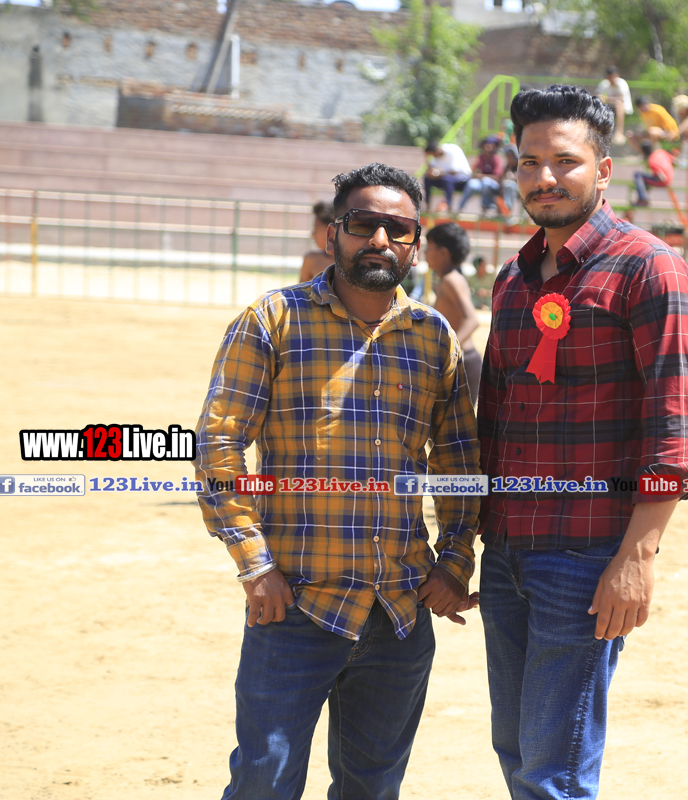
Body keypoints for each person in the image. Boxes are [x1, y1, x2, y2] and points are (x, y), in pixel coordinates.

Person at [194, 163, 480, 800]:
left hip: (400, 613)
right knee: (263, 785)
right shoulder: (273, 321)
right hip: (295, 606)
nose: (380, 239)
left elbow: (459, 462)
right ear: (333, 235)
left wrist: (455, 561)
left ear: (415, 245)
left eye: (398, 229)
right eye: (363, 224)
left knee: (371, 789)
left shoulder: (433, 337)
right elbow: (218, 444)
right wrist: (254, 565)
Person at [477, 84, 688, 800]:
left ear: (603, 170)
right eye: (529, 162)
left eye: (564, 162)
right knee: (518, 749)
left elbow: (675, 425)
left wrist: (638, 556)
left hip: (585, 557)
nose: (544, 177)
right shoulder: (513, 280)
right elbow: (495, 419)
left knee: (554, 770)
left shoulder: (647, 268)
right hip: (507, 553)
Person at [427, 221, 483, 400]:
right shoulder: (450, 279)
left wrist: (447, 352)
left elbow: (472, 320)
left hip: (462, 361)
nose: (425, 253)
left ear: (443, 253)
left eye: (429, 247)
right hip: (462, 360)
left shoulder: (450, 280)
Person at [458, 135, 505, 217]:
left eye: (491, 145)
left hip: (493, 185)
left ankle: (485, 208)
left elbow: (497, 177)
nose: (488, 147)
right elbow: (471, 171)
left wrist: (481, 176)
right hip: (481, 183)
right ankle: (460, 208)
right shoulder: (480, 158)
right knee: (472, 184)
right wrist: (473, 172)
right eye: (486, 145)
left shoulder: (497, 159)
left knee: (486, 181)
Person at [422, 139, 472, 213]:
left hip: (462, 179)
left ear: (437, 150)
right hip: (445, 178)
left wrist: (437, 174)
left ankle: (447, 206)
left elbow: (454, 171)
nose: (433, 156)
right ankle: (427, 206)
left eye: (433, 154)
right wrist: (427, 159)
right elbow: (431, 171)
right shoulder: (436, 157)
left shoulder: (452, 149)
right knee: (427, 179)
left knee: (447, 180)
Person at [299, 200, 335, 283]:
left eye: (317, 229)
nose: (313, 234)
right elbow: (299, 290)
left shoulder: (354, 263)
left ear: (332, 231)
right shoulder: (312, 260)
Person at [595, 66, 632, 145]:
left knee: (618, 104)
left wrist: (606, 99)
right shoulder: (605, 83)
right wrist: (604, 99)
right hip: (610, 107)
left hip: (624, 108)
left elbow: (620, 99)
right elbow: (598, 95)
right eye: (610, 77)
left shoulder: (622, 83)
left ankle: (619, 133)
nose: (612, 79)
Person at [633, 139, 674, 207]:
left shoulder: (651, 160)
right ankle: (643, 197)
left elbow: (662, 177)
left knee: (638, 175)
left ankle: (643, 199)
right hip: (670, 178)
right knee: (645, 179)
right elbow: (674, 161)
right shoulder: (660, 152)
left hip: (664, 181)